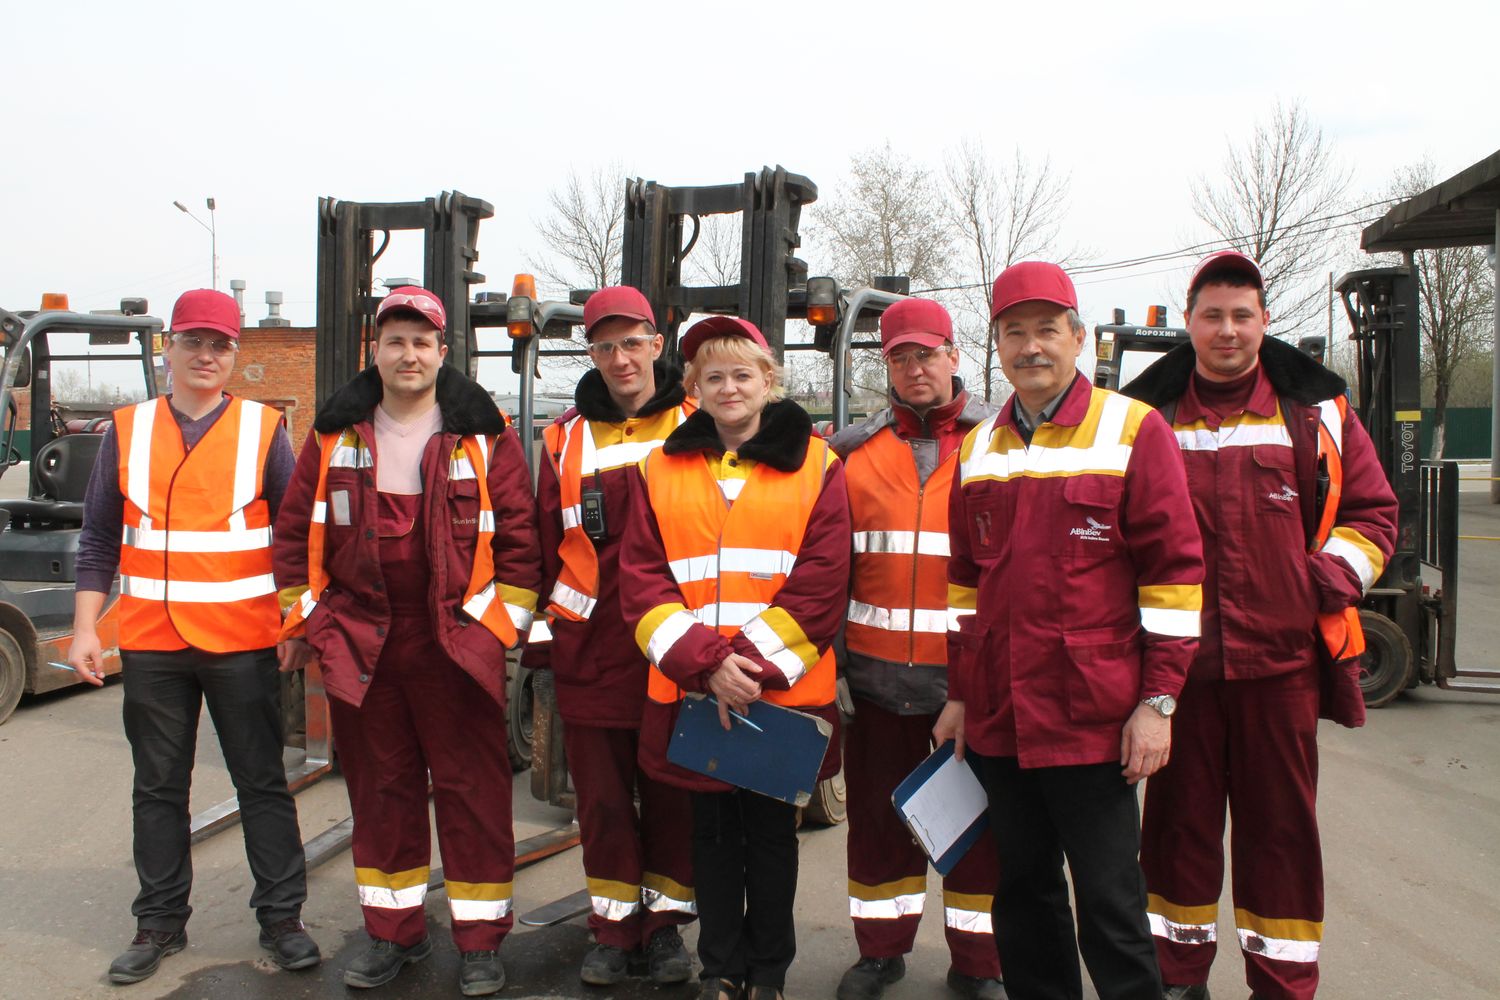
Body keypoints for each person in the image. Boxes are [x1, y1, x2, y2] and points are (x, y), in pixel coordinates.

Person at [1124, 251, 1398, 1000]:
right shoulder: (1146, 418)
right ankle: (1178, 980)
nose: (1227, 330)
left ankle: (1281, 984)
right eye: (1211, 315)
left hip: (1280, 670)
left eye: (1242, 315)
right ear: (1189, 323)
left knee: (1280, 838)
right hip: (1179, 678)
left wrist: (1325, 577)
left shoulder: (1318, 413)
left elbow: (1374, 514)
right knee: (1176, 835)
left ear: (1265, 322)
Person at [934, 261, 1205, 1000]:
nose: (1031, 347)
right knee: (1023, 897)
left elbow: (1175, 581)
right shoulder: (980, 447)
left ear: (1078, 338)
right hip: (1001, 720)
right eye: (1014, 332)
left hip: (1095, 718)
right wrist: (961, 694)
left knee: (1113, 905)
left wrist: (1159, 703)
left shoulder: (1132, 430)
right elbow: (965, 583)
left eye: (1047, 330)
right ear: (997, 345)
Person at [272, 286, 541, 996]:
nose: (409, 354)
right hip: (363, 643)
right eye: (396, 340)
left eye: (422, 342)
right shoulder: (334, 436)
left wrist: (498, 632)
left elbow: (520, 541)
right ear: (377, 351)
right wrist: (310, 626)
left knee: (472, 793)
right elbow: (294, 537)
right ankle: (394, 934)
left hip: (456, 645)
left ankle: (480, 942)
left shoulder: (485, 436)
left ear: (442, 353)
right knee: (381, 793)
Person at [68, 288, 320, 984]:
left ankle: (282, 919)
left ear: (234, 354)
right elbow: (97, 540)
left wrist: (297, 624)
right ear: (168, 348)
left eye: (221, 345)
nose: (207, 356)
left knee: (261, 782)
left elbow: (294, 542)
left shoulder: (264, 430)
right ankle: (158, 923)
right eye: (194, 342)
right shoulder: (128, 429)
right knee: (157, 787)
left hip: (242, 640)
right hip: (152, 642)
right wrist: (86, 627)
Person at [619, 316, 850, 1000]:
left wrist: (740, 669)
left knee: (775, 843)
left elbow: (823, 580)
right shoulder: (657, 468)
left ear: (768, 382)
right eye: (712, 376)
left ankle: (769, 974)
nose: (728, 387)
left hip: (776, 693)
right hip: (698, 692)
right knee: (712, 841)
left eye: (742, 374)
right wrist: (707, 666)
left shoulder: (819, 464)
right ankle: (721, 969)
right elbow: (643, 579)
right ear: (692, 387)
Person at [828, 297, 1004, 1000]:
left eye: (927, 353)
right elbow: (828, 568)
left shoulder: (998, 444)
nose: (915, 367)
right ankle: (880, 952)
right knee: (876, 826)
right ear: (888, 366)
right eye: (901, 356)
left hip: (969, 687)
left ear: (954, 357)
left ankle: (978, 962)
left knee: (974, 831)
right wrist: (834, 667)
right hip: (875, 684)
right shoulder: (849, 454)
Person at [524, 285, 697, 986]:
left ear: (659, 344)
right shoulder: (563, 437)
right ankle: (612, 930)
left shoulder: (700, 420)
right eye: (605, 346)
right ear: (588, 352)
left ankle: (663, 931)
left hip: (673, 649)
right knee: (599, 802)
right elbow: (540, 549)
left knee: (672, 799)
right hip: (590, 651)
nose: (620, 358)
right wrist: (543, 643)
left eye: (633, 343)